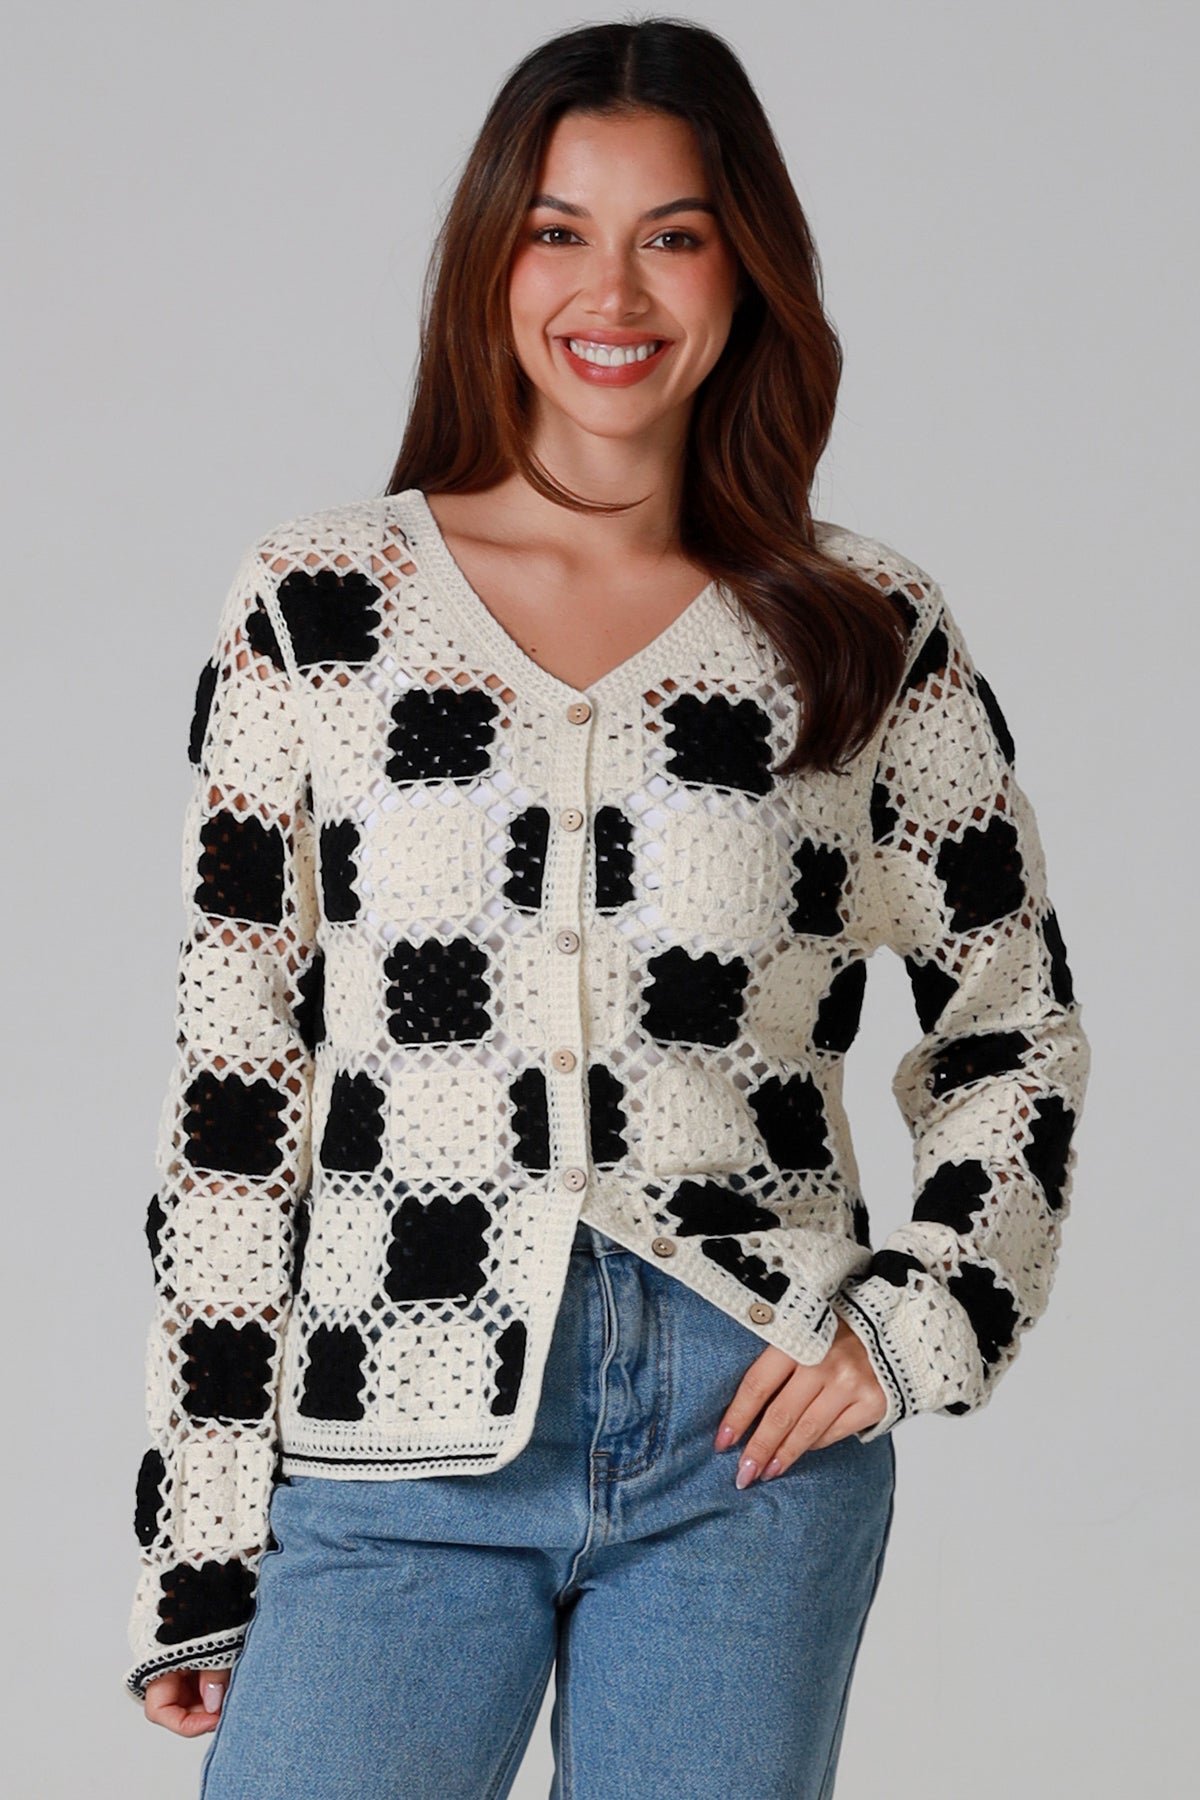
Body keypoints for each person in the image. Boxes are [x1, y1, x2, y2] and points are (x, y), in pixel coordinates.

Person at [127, 17, 1091, 1798]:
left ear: (745, 268)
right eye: (559, 229)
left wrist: (932, 1314)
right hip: (395, 1425)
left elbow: (1010, 1022)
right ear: (492, 259)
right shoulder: (321, 608)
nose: (614, 291)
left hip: (748, 1444)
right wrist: (201, 1536)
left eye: (676, 233)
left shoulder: (860, 628)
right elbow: (235, 1090)